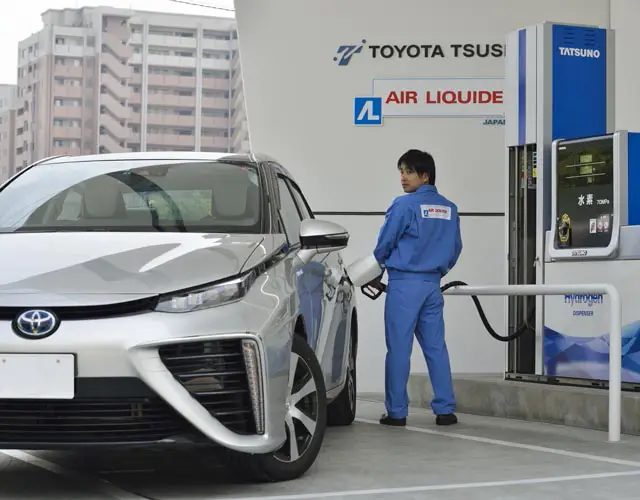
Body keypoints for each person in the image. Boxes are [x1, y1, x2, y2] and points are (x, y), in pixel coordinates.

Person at [370, 149, 462, 427]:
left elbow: (385, 243)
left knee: (398, 349)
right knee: (436, 348)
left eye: (409, 172)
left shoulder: (404, 206)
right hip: (432, 286)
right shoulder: (450, 208)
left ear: (425, 176)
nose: (403, 177)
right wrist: (437, 271)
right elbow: (455, 249)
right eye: (401, 171)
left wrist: (377, 268)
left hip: (403, 286)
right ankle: (445, 410)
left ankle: (397, 412)